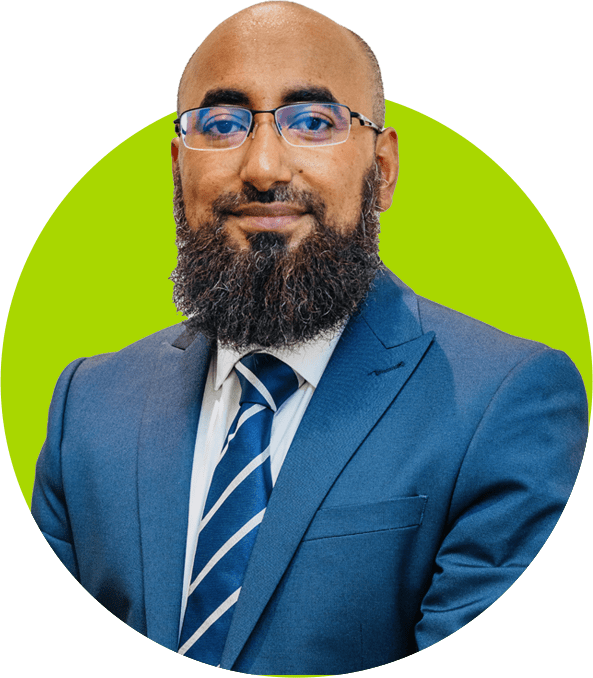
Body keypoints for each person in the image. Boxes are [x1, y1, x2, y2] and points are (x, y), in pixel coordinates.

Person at [31, 2, 587, 674]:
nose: (263, 166)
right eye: (222, 123)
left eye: (314, 122)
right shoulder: (85, 405)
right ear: (179, 167)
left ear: (381, 168)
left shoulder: (509, 401)